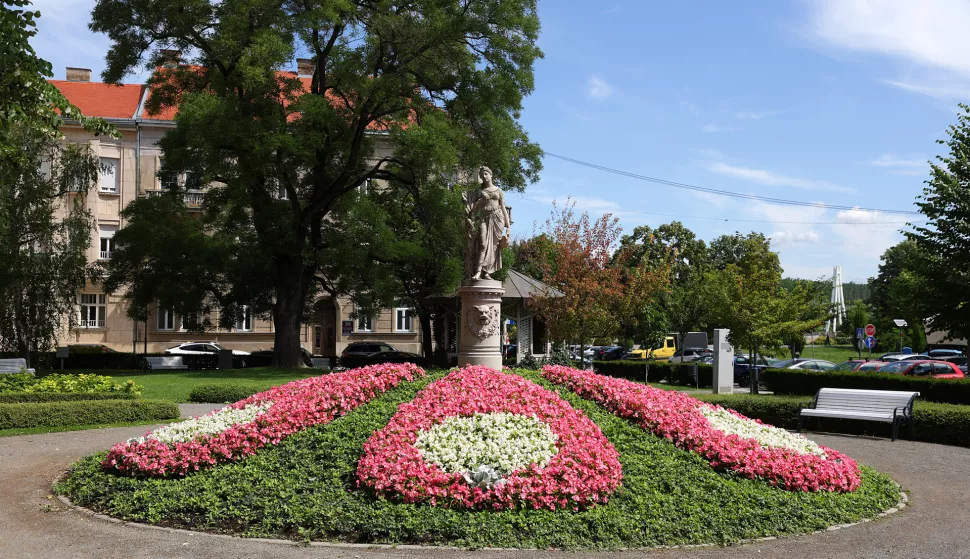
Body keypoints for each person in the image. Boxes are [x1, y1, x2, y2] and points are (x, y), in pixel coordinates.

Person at [465, 166, 511, 280]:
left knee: (493, 247)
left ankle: (486, 272)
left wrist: (508, 226)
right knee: (483, 245)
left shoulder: (498, 191)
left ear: (491, 175)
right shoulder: (480, 191)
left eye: (485, 174)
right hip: (484, 218)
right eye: (481, 176)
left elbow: (503, 207)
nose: (484, 177)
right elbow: (475, 207)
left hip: (497, 219)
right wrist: (471, 216)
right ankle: (478, 272)